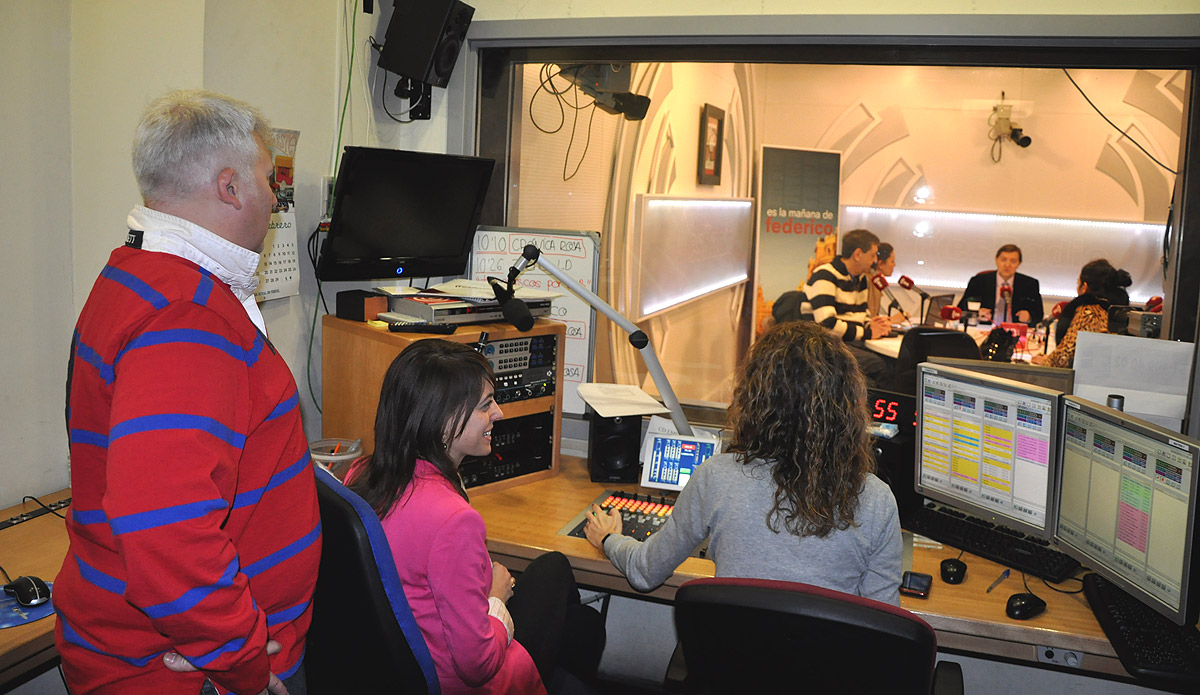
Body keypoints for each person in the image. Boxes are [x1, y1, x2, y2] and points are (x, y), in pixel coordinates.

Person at [57, 90, 320, 695]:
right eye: (268, 179)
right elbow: (163, 524)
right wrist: (236, 653)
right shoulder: (188, 316)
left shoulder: (135, 273)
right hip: (195, 668)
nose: (275, 197)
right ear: (230, 187)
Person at [346, 340, 605, 694]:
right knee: (559, 576)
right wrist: (496, 597)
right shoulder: (453, 520)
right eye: (486, 405)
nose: (499, 413)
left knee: (581, 622)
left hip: (393, 669)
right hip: (460, 681)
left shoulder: (360, 475)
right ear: (443, 420)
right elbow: (476, 664)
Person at [585, 321, 903, 605]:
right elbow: (885, 621)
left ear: (754, 400)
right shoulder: (877, 500)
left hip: (728, 654)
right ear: (847, 406)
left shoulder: (716, 478)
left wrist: (609, 538)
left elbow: (645, 572)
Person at [789, 228, 893, 387]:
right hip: (823, 346)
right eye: (872, 255)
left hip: (848, 342)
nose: (875, 261)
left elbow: (862, 314)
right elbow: (827, 325)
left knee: (890, 365)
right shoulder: (825, 275)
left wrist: (874, 325)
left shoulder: (861, 279)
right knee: (879, 366)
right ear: (858, 254)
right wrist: (868, 332)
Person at [1032, 259, 1131, 368]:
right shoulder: (1117, 311)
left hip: (1087, 375)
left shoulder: (1089, 312)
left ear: (1084, 286)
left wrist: (1046, 361)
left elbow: (1064, 356)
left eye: (1077, 283)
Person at [958, 244, 1044, 325]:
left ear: (1019, 263)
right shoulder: (979, 281)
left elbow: (1038, 315)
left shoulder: (1029, 284)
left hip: (1014, 330)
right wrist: (976, 313)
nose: (1007, 265)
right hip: (984, 328)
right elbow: (961, 309)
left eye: (1013, 261)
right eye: (1003, 260)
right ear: (996, 260)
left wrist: (1029, 317)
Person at [867, 242, 907, 326]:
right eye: (892, 261)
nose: (894, 265)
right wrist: (891, 321)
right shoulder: (869, 281)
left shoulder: (876, 282)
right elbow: (868, 320)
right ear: (880, 264)